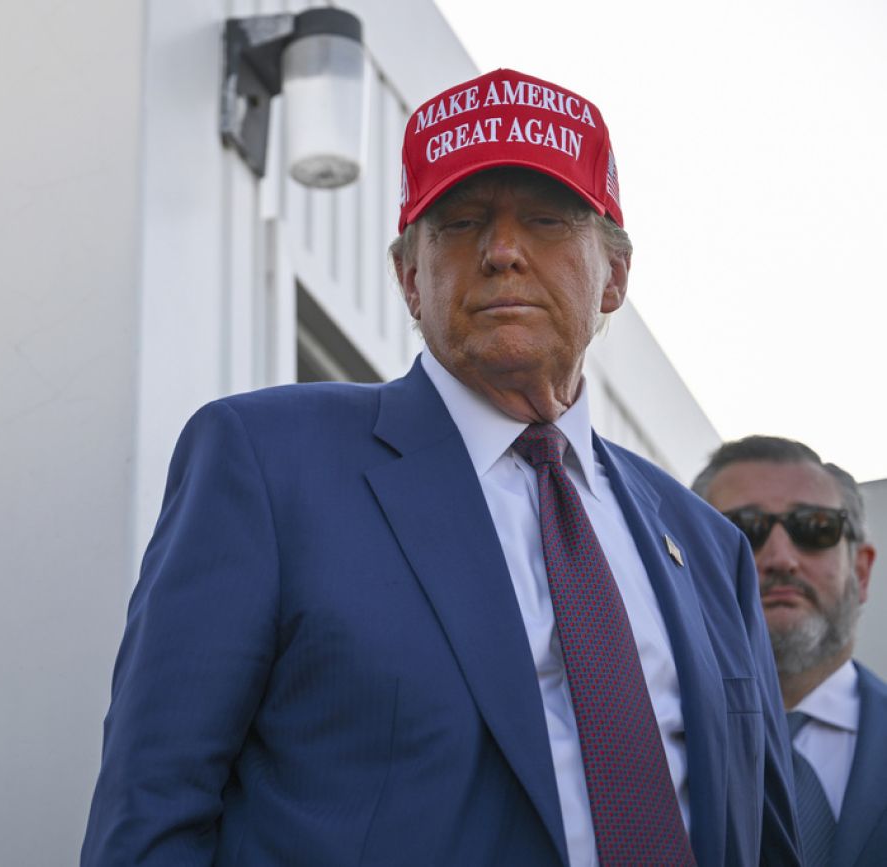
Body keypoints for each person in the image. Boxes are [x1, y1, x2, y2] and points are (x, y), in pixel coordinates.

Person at [83, 68, 799, 865]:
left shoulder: (708, 547)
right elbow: (151, 812)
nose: (501, 251)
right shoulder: (266, 464)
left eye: (546, 219)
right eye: (458, 222)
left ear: (615, 276)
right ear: (409, 278)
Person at [694, 435, 886, 866]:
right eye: (741, 530)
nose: (781, 558)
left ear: (861, 569)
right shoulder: (631, 742)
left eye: (815, 527)